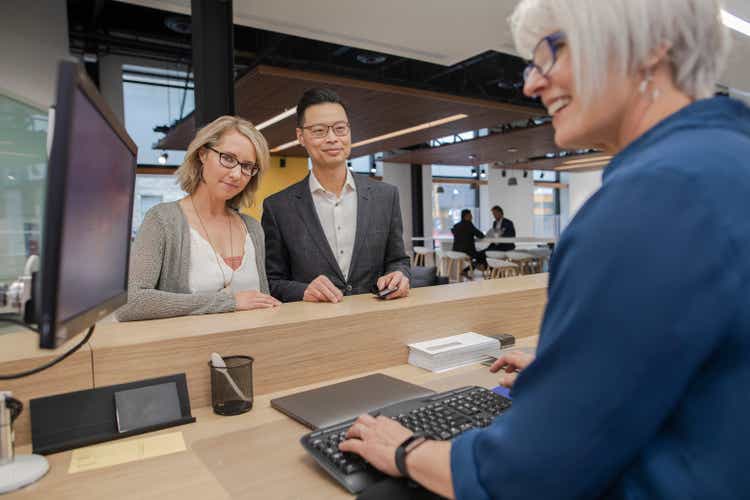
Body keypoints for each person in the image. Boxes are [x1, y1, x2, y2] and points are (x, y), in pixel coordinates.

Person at [339, 1, 750, 498]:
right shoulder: (726, 163)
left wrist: (406, 450)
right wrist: (576, 377)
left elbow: (529, 474)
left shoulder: (653, 196)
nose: (531, 84)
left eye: (550, 52)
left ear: (647, 48)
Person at [116, 116, 281, 321]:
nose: (237, 174)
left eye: (247, 166)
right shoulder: (162, 221)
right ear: (203, 154)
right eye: (228, 158)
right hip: (190, 351)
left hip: (252, 349)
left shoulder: (253, 228)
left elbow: (264, 302)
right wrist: (230, 302)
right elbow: (131, 302)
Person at [262, 88, 411, 303]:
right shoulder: (278, 207)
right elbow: (271, 281)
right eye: (319, 131)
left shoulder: (386, 196)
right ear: (300, 137)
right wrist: (302, 291)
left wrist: (400, 275)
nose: (332, 138)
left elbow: (398, 260)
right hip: (313, 328)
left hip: (377, 322)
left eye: (340, 129)